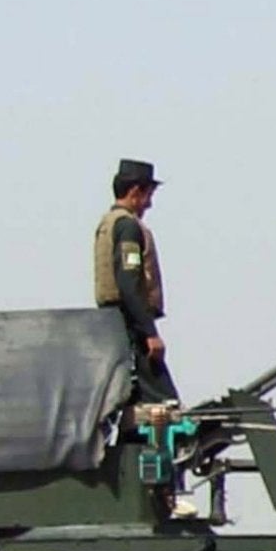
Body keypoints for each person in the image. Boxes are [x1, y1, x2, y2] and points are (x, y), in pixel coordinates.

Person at [92, 158, 177, 402]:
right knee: (164, 402)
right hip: (130, 324)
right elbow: (128, 283)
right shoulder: (127, 227)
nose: (149, 204)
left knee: (136, 399)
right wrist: (150, 333)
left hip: (116, 323)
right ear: (135, 192)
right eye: (148, 195)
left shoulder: (108, 224)